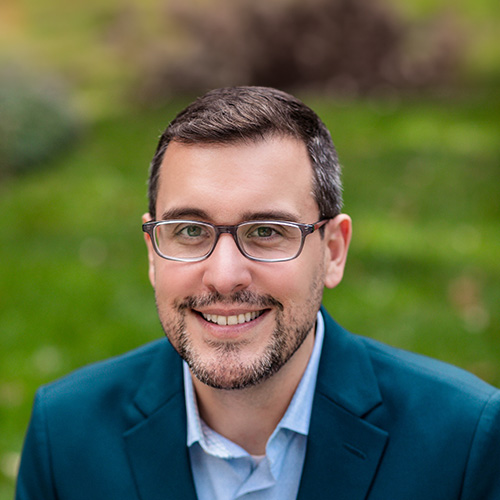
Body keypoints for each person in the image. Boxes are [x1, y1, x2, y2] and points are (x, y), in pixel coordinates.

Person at [16, 86, 500, 500]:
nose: (224, 277)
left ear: (333, 250)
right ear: (152, 250)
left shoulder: (463, 441)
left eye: (266, 231)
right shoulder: (64, 436)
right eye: (189, 231)